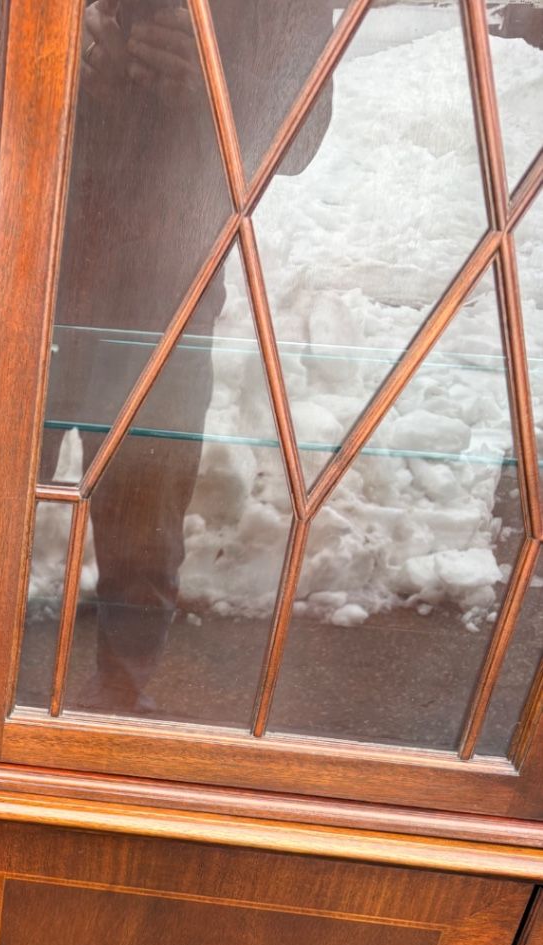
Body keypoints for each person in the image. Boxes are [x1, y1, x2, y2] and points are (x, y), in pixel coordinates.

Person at [44, 0, 334, 714]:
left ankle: (120, 704)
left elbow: (299, 139)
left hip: (166, 290)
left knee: (143, 529)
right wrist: (48, 54)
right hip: (25, 267)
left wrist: (216, 87)